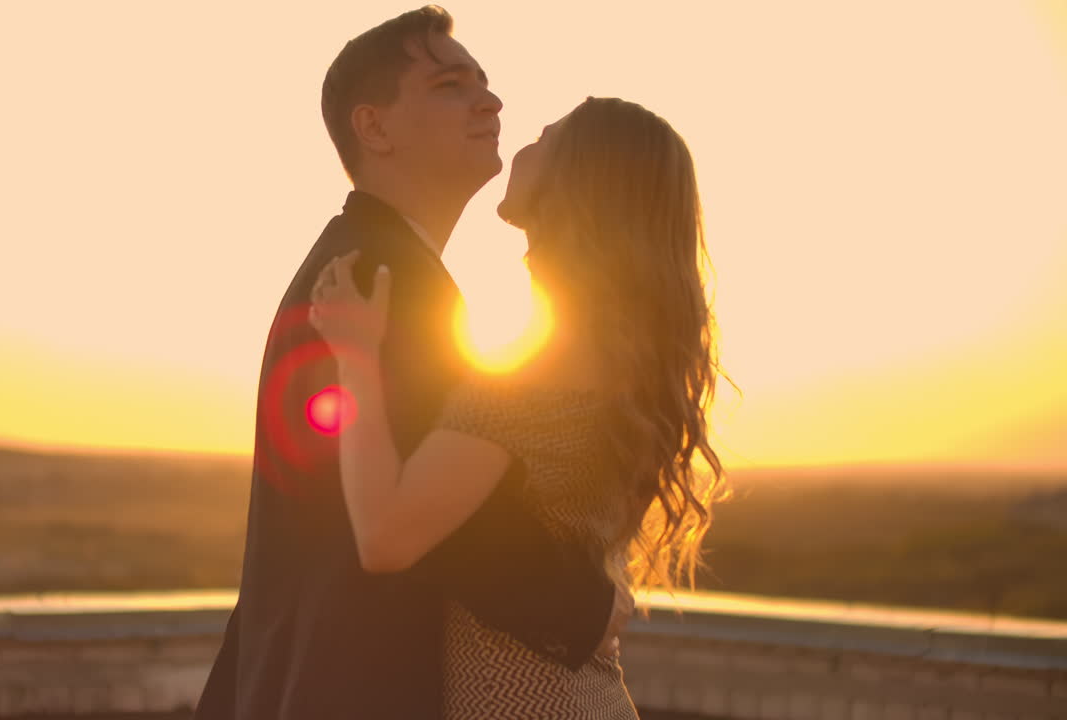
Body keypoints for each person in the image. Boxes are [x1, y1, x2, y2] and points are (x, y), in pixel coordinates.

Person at [191, 7, 631, 720]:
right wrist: (587, 603)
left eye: (485, 83)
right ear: (375, 127)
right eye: (450, 85)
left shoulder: (363, 263)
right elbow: (436, 523)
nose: (489, 101)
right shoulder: (382, 279)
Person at [308, 95, 727, 718]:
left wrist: (357, 358)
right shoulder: (616, 361)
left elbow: (386, 534)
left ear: (579, 182)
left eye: (544, 139)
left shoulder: (541, 371)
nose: (521, 147)